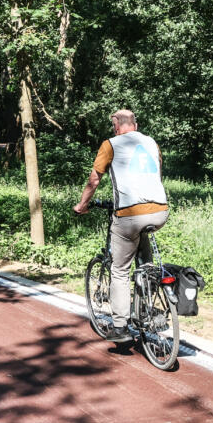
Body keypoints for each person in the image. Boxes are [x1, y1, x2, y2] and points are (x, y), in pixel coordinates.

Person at [74, 109, 169, 343]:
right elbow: (156, 174)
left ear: (116, 126)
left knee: (119, 269)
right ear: (135, 125)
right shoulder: (151, 142)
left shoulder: (111, 144)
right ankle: (146, 304)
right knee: (144, 261)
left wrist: (82, 204)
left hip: (129, 214)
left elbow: (94, 180)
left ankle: (120, 326)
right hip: (160, 211)